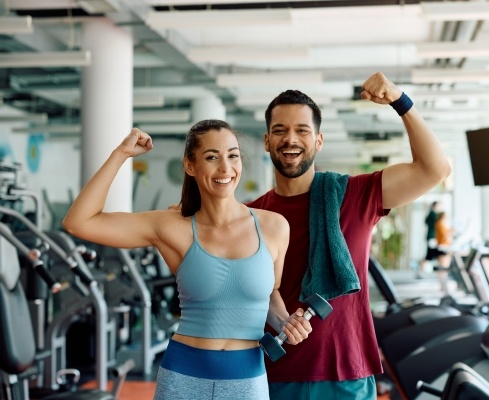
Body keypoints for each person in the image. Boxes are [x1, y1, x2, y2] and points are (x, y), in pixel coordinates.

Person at [62, 120, 313, 400]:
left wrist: (286, 323)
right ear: (190, 166)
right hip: (183, 377)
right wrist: (120, 154)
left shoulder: (274, 227)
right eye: (211, 157)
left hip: (247, 380)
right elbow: (79, 222)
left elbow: (270, 294)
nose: (225, 168)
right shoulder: (171, 226)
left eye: (232, 155)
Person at [246, 71, 452, 399]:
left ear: (318, 140)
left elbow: (435, 169)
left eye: (302, 130)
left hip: (346, 374)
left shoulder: (354, 195)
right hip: (273, 372)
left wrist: (401, 101)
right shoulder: (250, 215)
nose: (291, 140)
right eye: (280, 131)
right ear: (267, 141)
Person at [418, 200, 441, 278]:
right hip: (432, 237)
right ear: (435, 206)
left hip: (430, 236)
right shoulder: (434, 214)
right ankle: (421, 271)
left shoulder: (430, 214)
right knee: (430, 255)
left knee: (430, 255)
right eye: (439, 206)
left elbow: (426, 222)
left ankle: (421, 271)